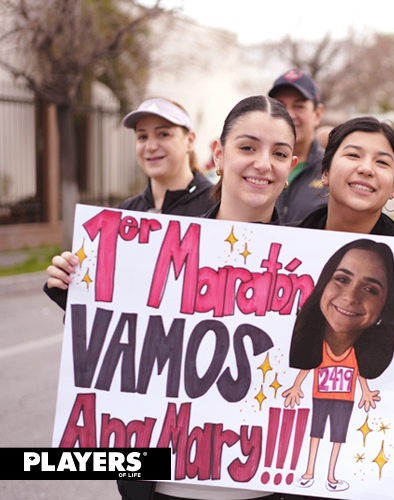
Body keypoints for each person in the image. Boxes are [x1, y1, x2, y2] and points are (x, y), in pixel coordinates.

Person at [46, 95, 306, 500]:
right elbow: (115, 355)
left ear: (291, 167)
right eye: (248, 147)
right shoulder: (159, 253)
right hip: (165, 487)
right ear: (218, 155)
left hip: (267, 489)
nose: (262, 163)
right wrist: (79, 297)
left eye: (279, 153)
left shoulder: (314, 269)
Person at [295, 116, 394, 500]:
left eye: (382, 161)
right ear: (325, 172)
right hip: (281, 465)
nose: (366, 168)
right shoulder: (285, 249)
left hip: (371, 466)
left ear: (393, 185)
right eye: (353, 154)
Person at [45, 98, 215, 309]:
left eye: (163, 134)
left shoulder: (219, 207)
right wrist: (70, 289)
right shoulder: (122, 215)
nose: (151, 146)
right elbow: (108, 309)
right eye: (142, 136)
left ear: (190, 140)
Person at [284, 239, 394, 493]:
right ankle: (310, 471)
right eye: (342, 279)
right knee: (315, 436)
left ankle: (330, 476)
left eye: (370, 289)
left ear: (385, 308)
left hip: (344, 406)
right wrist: (295, 388)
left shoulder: (363, 356)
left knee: (337, 439)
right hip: (177, 482)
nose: (350, 297)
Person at [268, 69, 327, 223]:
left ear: (318, 114)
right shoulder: (257, 167)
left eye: (299, 106)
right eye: (280, 106)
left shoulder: (332, 170)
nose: (289, 115)